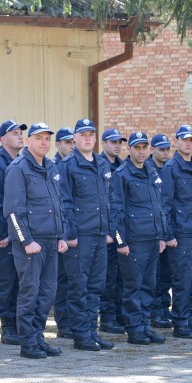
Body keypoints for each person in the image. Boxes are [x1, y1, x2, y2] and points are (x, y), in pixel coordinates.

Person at [4, 122, 68, 359]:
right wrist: (26, 241)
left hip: (51, 241)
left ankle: (38, 337)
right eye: (39, 138)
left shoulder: (50, 166)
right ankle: (27, 342)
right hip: (31, 244)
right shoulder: (18, 168)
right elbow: (12, 210)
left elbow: (58, 204)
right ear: (28, 141)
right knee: (30, 293)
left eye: (47, 138)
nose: (44, 142)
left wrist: (61, 235)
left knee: (47, 293)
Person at [59, 118, 113, 351]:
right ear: (75, 139)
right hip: (80, 236)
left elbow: (108, 199)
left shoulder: (101, 163)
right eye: (83, 135)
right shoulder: (68, 164)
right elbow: (64, 202)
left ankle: (92, 330)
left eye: (91, 134)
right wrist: (70, 233)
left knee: (96, 285)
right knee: (78, 286)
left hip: (100, 234)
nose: (88, 138)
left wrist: (109, 230)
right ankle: (81, 334)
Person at [110, 131, 167, 345]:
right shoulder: (122, 174)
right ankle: (134, 329)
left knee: (148, 285)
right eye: (137, 148)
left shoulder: (151, 172)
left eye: (144, 148)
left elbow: (158, 206)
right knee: (133, 286)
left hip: (152, 239)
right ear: (130, 149)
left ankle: (145, 325)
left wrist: (161, 235)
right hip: (133, 241)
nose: (141, 152)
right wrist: (121, 241)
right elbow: (116, 210)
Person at [161, 125, 192, 339]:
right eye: (185, 139)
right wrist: (169, 234)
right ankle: (180, 322)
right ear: (177, 142)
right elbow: (166, 204)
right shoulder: (171, 167)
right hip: (181, 234)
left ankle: (191, 319)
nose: (188, 143)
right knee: (183, 279)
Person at [0, 119, 27, 346]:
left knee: (23, 281)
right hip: (7, 238)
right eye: (15, 133)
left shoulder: (23, 163)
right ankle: (7, 326)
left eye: (21, 133)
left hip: (24, 235)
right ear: (3, 139)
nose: (20, 136)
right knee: (8, 280)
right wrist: (0, 235)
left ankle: (22, 324)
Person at [98, 128, 127, 335]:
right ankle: (107, 319)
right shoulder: (100, 165)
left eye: (120, 142)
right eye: (113, 142)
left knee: (120, 278)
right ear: (104, 144)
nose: (117, 146)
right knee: (107, 279)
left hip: (121, 226)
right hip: (107, 231)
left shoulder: (121, 166)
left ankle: (118, 315)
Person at [146, 134, 174, 329]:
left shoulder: (169, 169)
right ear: (152, 150)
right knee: (153, 275)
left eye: (167, 150)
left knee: (166, 274)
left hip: (168, 228)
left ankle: (164, 308)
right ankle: (155, 312)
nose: (164, 153)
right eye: (161, 149)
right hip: (152, 230)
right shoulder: (147, 169)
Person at [51, 127, 76, 339]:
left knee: (73, 278)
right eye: (67, 142)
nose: (71, 146)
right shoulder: (54, 166)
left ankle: (72, 320)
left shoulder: (74, 165)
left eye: (72, 142)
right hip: (59, 231)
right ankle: (63, 322)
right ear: (58, 144)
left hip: (71, 229)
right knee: (62, 280)